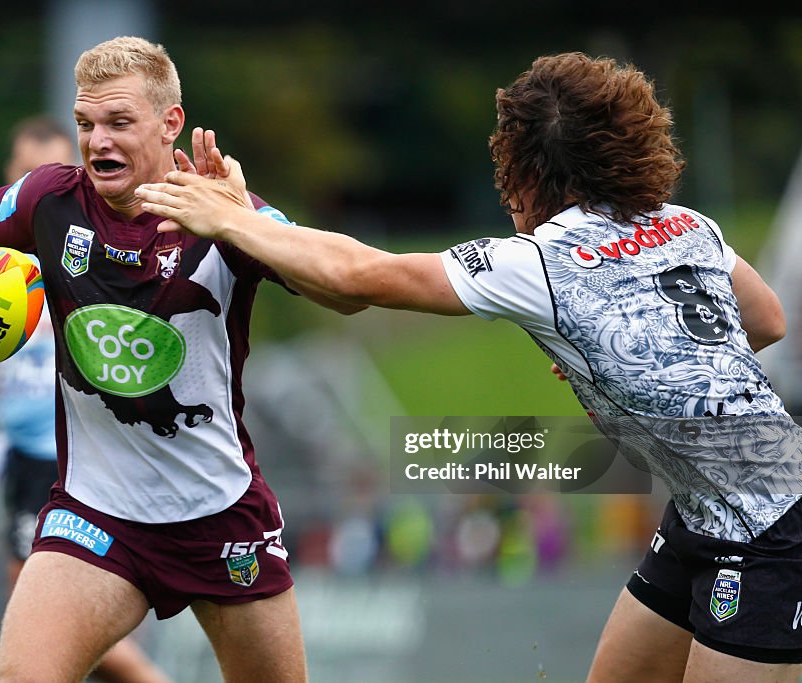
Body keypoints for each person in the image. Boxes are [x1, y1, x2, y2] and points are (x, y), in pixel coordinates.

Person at [135, 52, 802, 682]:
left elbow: (361, 274)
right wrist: (620, 351)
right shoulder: (686, 224)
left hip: (773, 529)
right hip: (714, 503)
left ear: (529, 170)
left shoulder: (540, 261)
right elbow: (766, 318)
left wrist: (231, 218)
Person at [0, 36, 360, 683]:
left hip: (219, 511)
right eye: (87, 124)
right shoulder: (51, 201)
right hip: (96, 515)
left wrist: (245, 228)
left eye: (119, 123)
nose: (97, 142)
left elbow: (340, 288)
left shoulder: (224, 211)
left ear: (171, 122)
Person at [0, 115, 172, 683]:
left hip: (79, 459)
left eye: (52, 170)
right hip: (23, 462)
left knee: (46, 620)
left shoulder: (84, 252)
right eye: (27, 172)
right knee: (56, 626)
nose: (40, 182)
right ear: (11, 179)